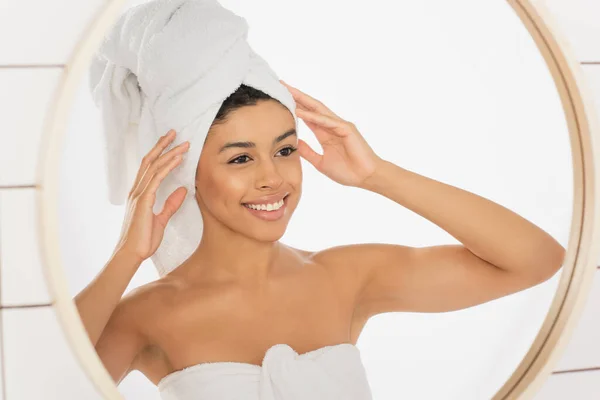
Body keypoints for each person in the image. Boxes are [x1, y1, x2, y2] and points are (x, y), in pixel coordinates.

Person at [74, 81, 565, 398]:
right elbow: (40, 377)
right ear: (189, 173)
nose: (274, 179)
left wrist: (377, 175)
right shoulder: (144, 315)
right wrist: (127, 255)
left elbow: (536, 260)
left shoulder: (344, 277)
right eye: (241, 159)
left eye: (284, 150)